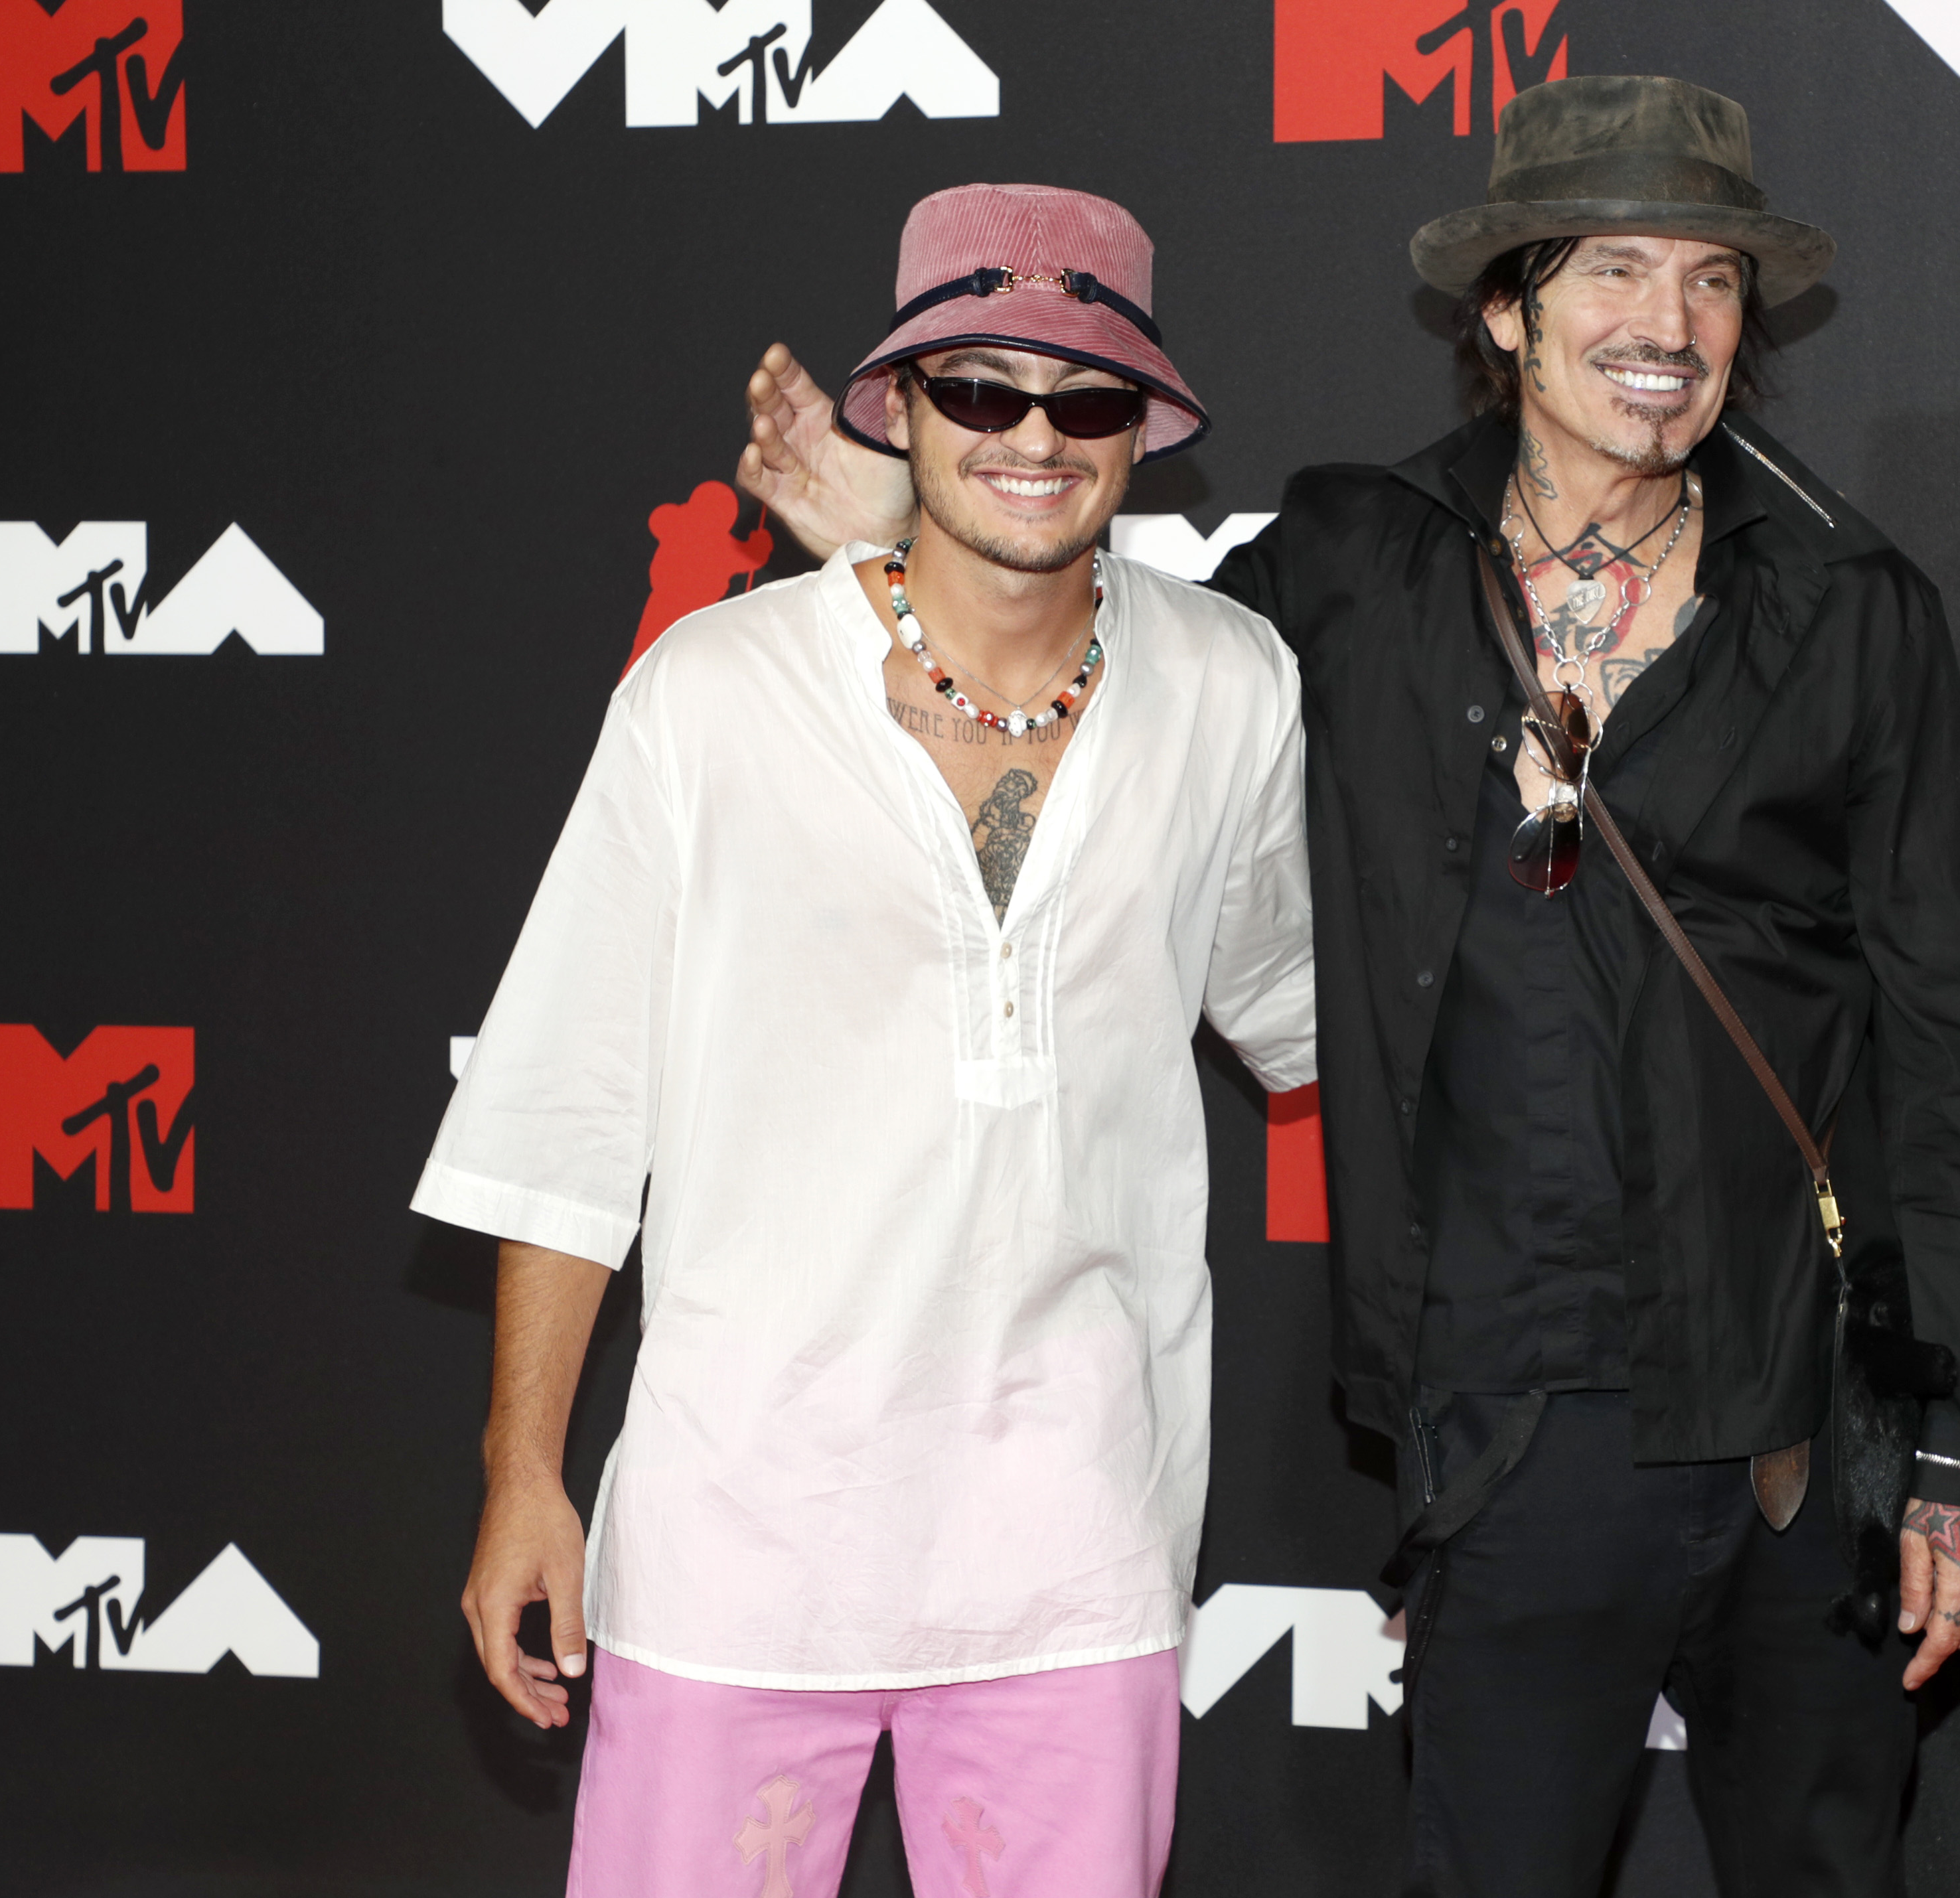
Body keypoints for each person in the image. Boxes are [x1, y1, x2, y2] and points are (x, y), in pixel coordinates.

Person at [741, 76, 1960, 1898]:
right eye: (1611, 270)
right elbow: (1119, 672)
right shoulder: (1353, 564)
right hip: (1514, 1419)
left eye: (1707, 282)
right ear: (1506, 311)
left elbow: (1957, 1042)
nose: (1663, 327)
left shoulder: (1848, 603)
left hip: (1803, 1414)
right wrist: (907, 529)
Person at [417, 183, 1314, 1898]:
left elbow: (1309, 1012)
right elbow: (569, 1109)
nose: (1033, 437)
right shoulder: (714, 690)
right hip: (738, 1534)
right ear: (897, 413)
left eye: (1086, 397)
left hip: (1082, 1537)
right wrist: (523, 1472)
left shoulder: (1234, 684)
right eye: (979, 389)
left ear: (1146, 431)